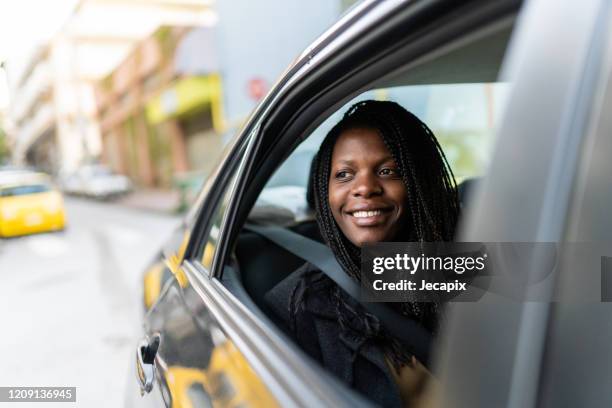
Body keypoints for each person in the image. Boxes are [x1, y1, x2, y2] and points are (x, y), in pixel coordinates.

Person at [265, 100, 459, 407]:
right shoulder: (296, 306)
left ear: (419, 181)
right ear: (324, 190)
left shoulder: (461, 267)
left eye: (387, 170)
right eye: (344, 174)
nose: (365, 187)